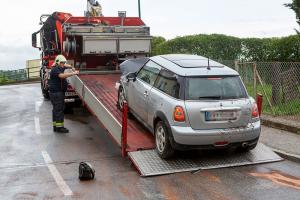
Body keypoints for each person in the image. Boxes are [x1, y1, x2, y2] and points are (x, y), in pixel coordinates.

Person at [49, 55, 79, 133]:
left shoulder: (59, 66)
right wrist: (73, 73)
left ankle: (56, 126)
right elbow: (62, 76)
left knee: (56, 109)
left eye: (63, 63)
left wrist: (71, 67)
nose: (63, 64)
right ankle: (59, 128)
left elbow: (66, 65)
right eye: (62, 63)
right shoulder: (55, 70)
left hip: (56, 92)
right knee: (59, 109)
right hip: (57, 93)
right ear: (58, 62)